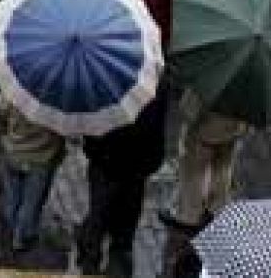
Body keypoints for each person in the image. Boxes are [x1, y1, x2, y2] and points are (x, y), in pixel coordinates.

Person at [75, 92, 169, 277]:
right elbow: (156, 129)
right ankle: (116, 263)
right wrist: (151, 162)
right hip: (135, 167)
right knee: (125, 223)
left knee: (99, 212)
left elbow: (90, 123)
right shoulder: (153, 82)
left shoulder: (104, 80)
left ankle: (90, 259)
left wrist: (93, 150)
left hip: (105, 162)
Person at [162, 88, 249, 230]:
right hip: (236, 127)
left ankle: (188, 217)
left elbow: (191, 105)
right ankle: (216, 208)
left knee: (194, 172)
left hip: (207, 127)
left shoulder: (215, 71)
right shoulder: (251, 77)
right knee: (223, 167)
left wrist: (188, 112)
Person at [0, 90, 64, 253]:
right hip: (42, 160)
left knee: (13, 194)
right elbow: (66, 131)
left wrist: (8, 136)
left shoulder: (9, 95)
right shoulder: (57, 98)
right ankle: (21, 236)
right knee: (32, 203)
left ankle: (12, 221)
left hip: (13, 155)